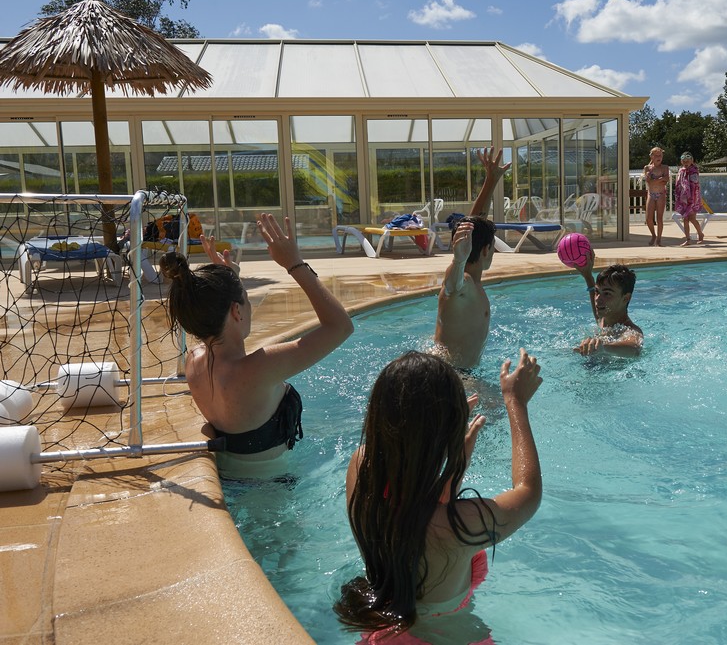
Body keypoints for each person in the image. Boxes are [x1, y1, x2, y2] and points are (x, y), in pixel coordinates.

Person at [335, 349, 543, 641]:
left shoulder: (361, 468)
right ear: (447, 435)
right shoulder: (461, 525)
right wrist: (516, 402)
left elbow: (417, 517)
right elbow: (529, 492)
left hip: (381, 630)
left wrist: (452, 463)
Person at [160, 213, 354, 477]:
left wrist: (228, 281)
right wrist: (295, 263)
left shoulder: (194, 361)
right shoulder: (261, 367)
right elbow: (340, 326)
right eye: (247, 301)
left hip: (230, 478)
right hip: (273, 489)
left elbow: (229, 339)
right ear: (236, 311)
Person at [433, 148, 509, 370]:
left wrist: (491, 181)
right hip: (450, 375)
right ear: (486, 250)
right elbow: (451, 287)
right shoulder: (464, 282)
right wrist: (457, 260)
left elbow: (475, 223)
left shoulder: (472, 282)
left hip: (458, 371)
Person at [573, 252, 643, 356]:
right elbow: (594, 295)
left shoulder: (631, 331)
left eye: (607, 294)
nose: (597, 299)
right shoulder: (603, 320)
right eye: (597, 292)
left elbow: (634, 348)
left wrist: (603, 347)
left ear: (626, 298)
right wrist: (588, 276)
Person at [674, 151, 704, 246]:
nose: (686, 162)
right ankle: (688, 239)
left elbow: (695, 186)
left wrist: (693, 199)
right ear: (681, 162)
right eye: (684, 161)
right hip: (683, 199)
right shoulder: (681, 171)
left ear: (692, 161)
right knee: (685, 219)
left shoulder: (694, 171)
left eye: (688, 161)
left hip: (692, 198)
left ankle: (700, 233)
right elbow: (678, 184)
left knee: (692, 218)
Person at [643, 146, 670, 246]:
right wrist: (660, 179)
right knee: (648, 218)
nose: (659, 157)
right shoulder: (648, 168)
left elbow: (666, 179)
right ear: (652, 157)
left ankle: (659, 239)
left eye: (660, 156)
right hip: (651, 194)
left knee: (659, 218)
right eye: (656, 155)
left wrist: (656, 180)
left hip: (661, 194)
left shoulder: (665, 167)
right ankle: (653, 235)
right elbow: (649, 181)